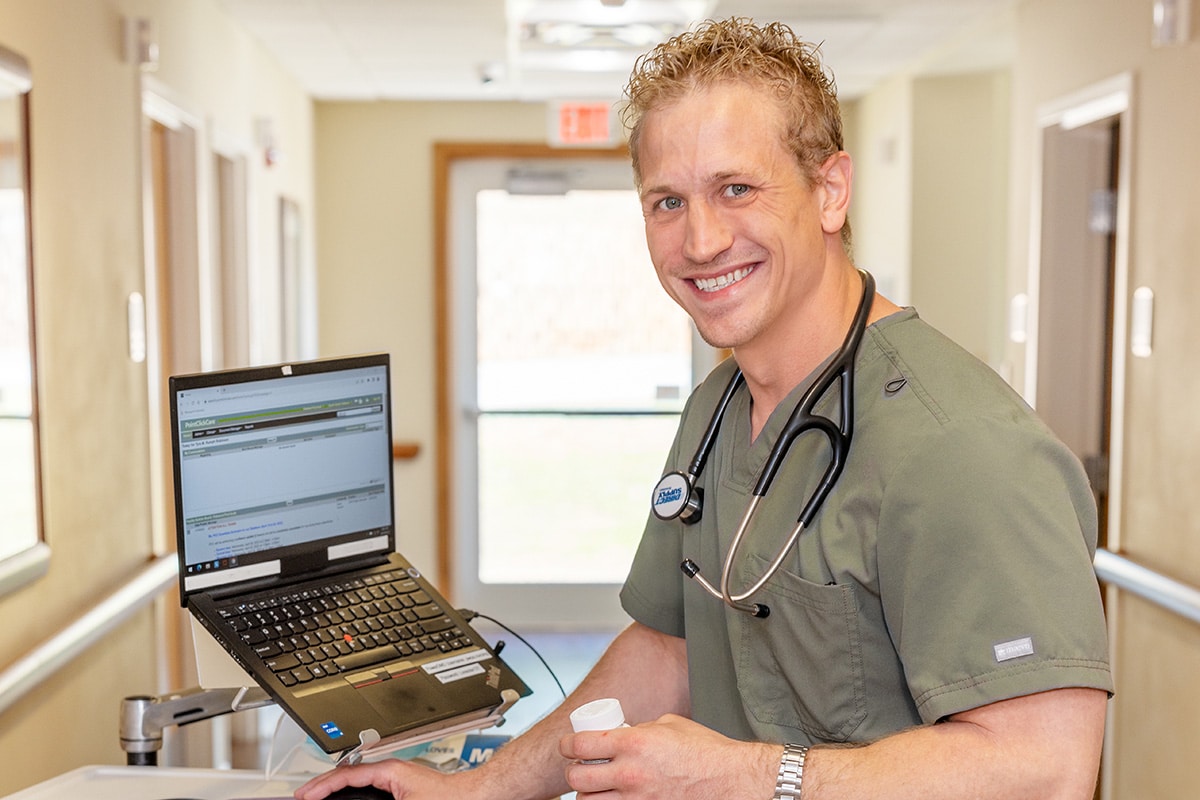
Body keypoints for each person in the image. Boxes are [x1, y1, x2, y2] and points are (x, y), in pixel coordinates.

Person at [296, 17, 1112, 800]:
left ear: (830, 191)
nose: (702, 241)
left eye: (736, 188)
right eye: (667, 201)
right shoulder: (718, 407)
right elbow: (668, 651)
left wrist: (748, 781)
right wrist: (478, 790)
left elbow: (1045, 771)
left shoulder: (963, 448)